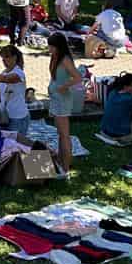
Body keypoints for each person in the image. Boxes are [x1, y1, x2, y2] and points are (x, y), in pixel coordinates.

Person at [45, 32, 85, 179]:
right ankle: (61, 163)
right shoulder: (54, 57)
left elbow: (78, 77)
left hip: (62, 99)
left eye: (51, 46)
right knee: (59, 134)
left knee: (65, 135)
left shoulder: (65, 59)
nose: (49, 49)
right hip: (56, 98)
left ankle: (65, 168)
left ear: (58, 46)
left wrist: (64, 86)